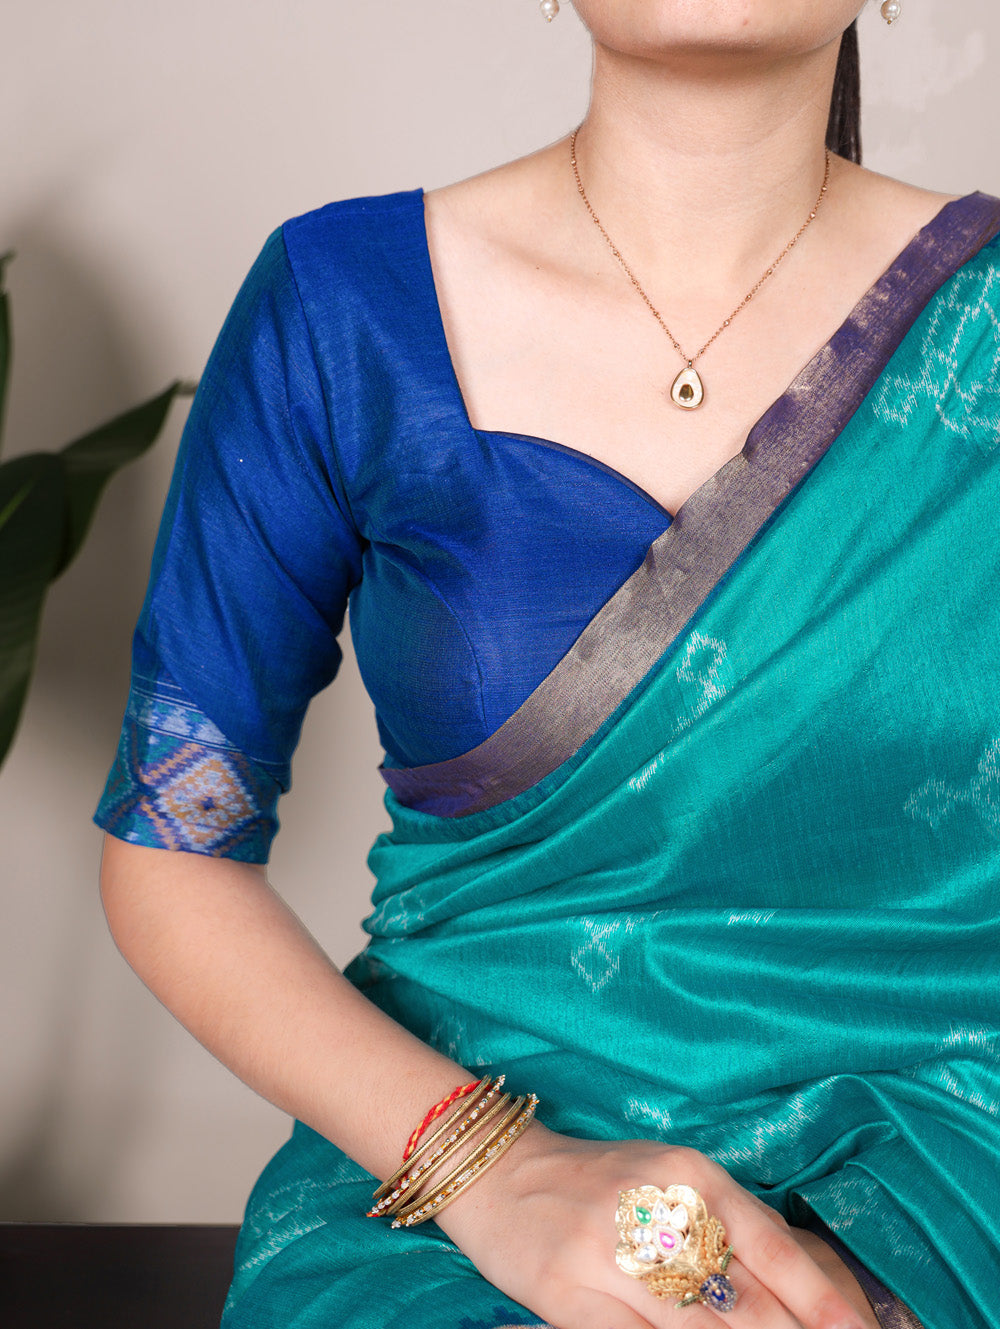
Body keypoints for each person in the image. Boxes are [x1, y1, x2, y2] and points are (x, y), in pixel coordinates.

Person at [95, 2, 1000, 1327]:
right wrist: (493, 1168)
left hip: (954, 1165)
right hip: (452, 1175)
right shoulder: (343, 310)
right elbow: (174, 851)